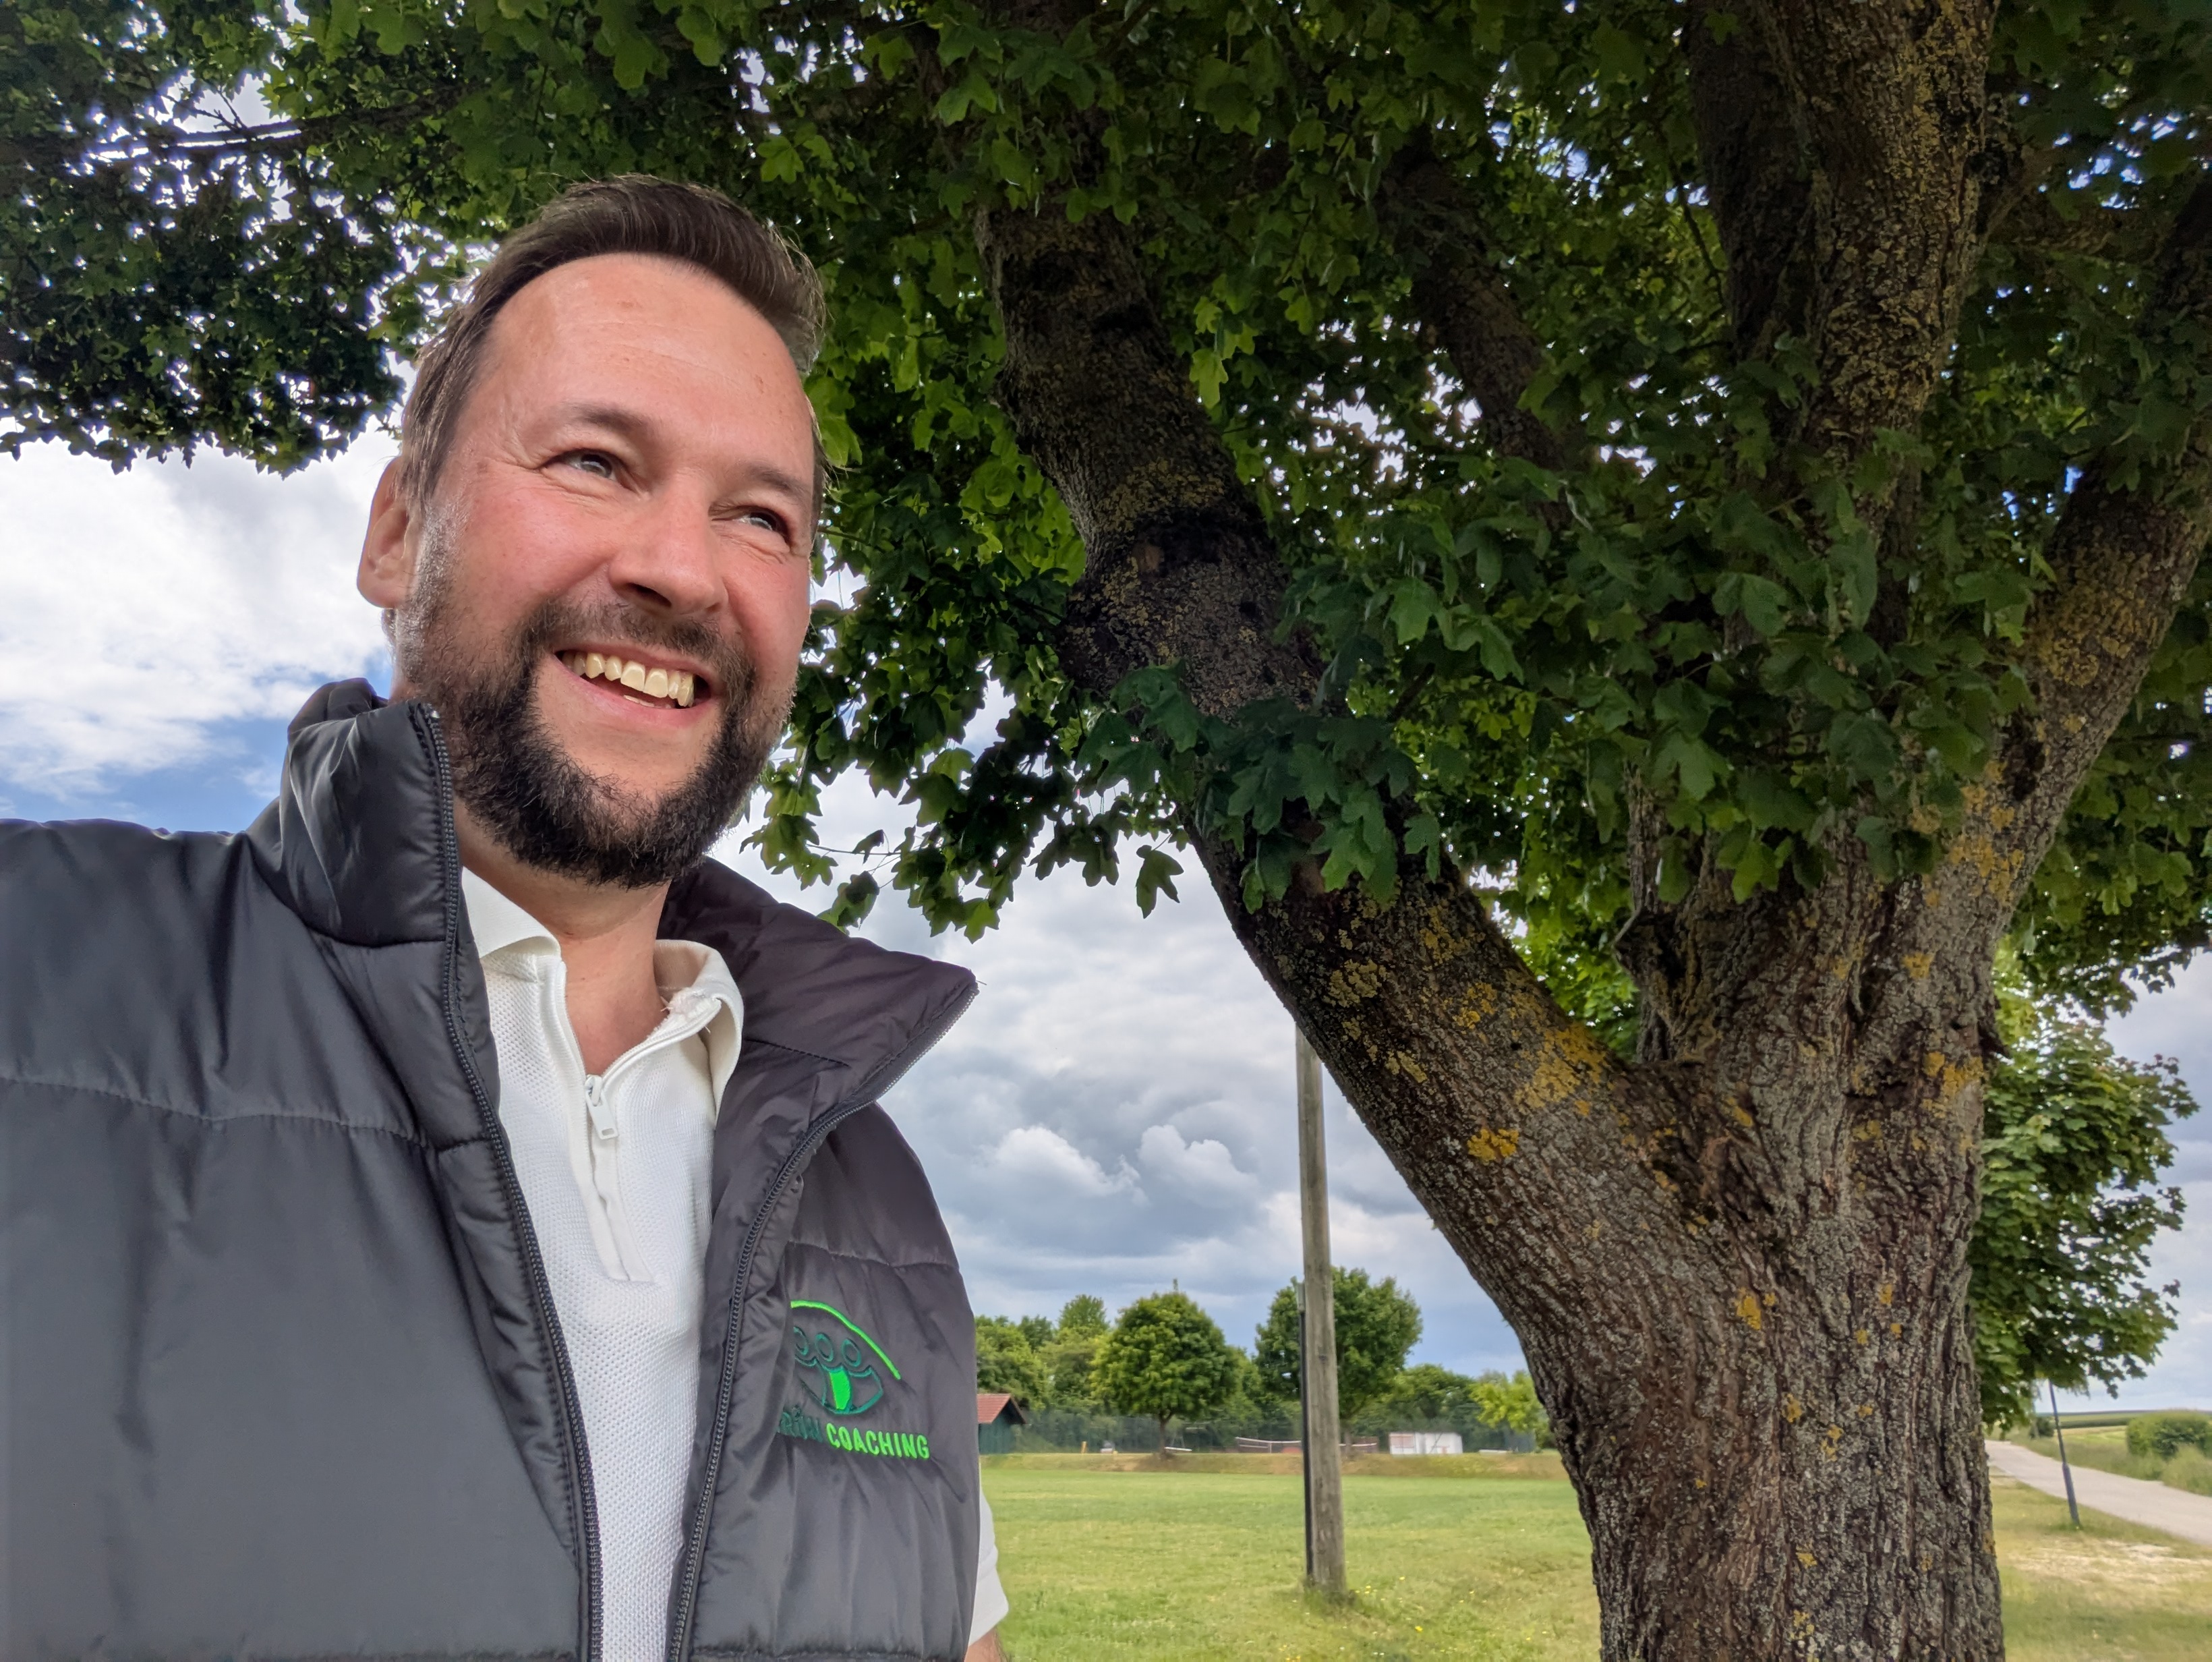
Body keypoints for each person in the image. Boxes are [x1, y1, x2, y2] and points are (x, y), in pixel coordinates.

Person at [1, 175, 1006, 1662]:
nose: (680, 567)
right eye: (597, 460)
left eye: (760, 516)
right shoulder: (36, 980)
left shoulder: (867, 1185)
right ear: (399, 528)